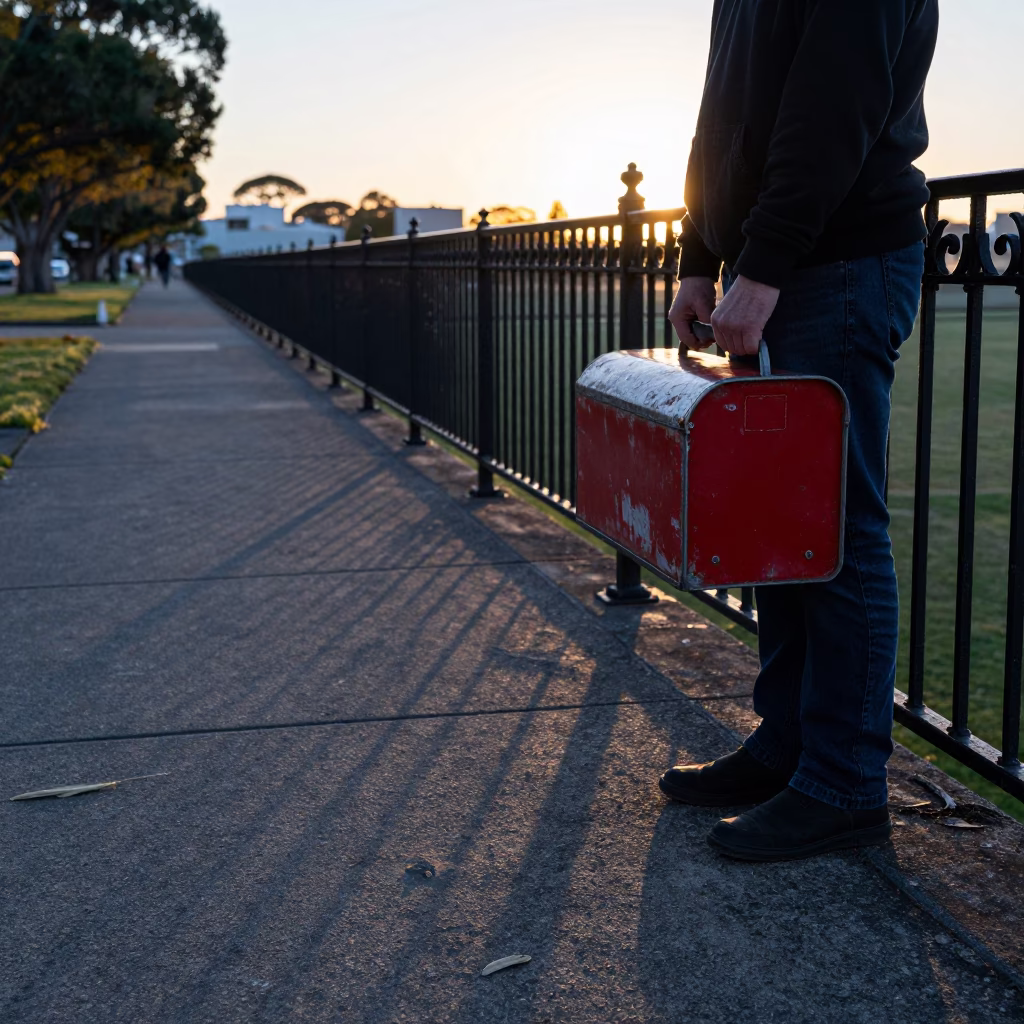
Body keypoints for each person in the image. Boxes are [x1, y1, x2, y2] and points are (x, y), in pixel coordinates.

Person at [661, 0, 939, 861]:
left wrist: (765, 262)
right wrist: (698, 256)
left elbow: (837, 100)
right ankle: (787, 746)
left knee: (838, 528)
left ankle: (845, 783)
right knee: (779, 523)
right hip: (780, 266)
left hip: (838, 264)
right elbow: (723, 111)